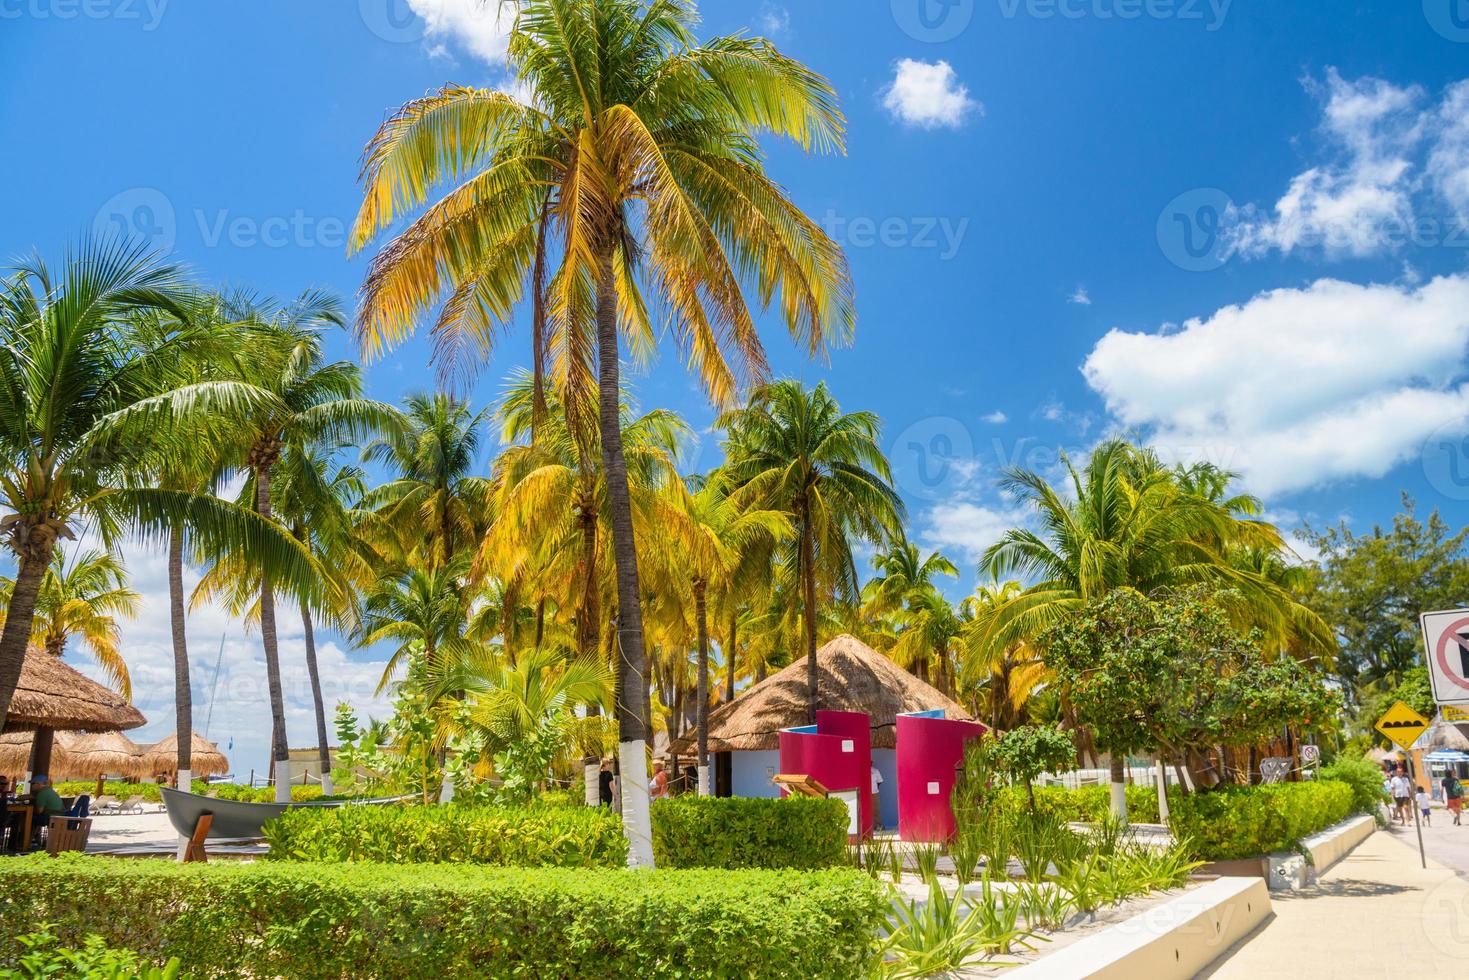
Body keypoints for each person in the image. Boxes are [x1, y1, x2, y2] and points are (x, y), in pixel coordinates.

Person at [870, 764, 884, 831]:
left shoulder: (875, 771)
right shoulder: (861, 769)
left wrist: (875, 788)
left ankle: (878, 825)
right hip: (863, 793)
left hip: (874, 793)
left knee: (876, 810)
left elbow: (880, 781)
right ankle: (868, 827)